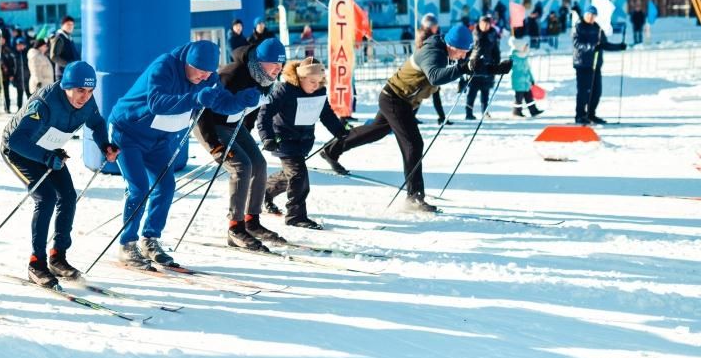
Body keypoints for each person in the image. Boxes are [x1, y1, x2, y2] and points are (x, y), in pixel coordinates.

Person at [321, 25, 510, 211]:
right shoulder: (433, 53)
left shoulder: (446, 50)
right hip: (395, 99)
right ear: (452, 45)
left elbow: (468, 65)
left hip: (400, 99)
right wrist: (463, 67)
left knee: (375, 132)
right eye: (461, 52)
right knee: (413, 144)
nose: (463, 55)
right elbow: (436, 76)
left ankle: (331, 150)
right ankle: (415, 196)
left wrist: (494, 69)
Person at [108, 40, 257, 267]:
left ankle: (150, 239)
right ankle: (127, 244)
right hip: (128, 132)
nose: (204, 77)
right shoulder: (164, 66)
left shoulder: (207, 77)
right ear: (188, 63)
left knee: (166, 186)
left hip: (159, 139)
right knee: (138, 188)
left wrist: (239, 102)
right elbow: (157, 103)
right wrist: (195, 98)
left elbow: (221, 102)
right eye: (200, 71)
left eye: (209, 73)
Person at [1, 61, 119, 286]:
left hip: (47, 151)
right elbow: (17, 140)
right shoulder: (44, 104)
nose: (85, 97)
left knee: (67, 196)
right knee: (46, 197)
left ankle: (58, 257)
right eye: (80, 90)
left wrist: (105, 145)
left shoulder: (86, 102)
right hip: (18, 150)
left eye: (90, 91)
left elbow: (97, 123)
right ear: (67, 86)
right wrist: (46, 158)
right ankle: (36, 263)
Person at [194, 38, 287, 250]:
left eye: (281, 65)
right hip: (210, 126)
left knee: (259, 164)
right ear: (260, 61)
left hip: (234, 125)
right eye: (274, 64)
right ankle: (235, 228)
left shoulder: (263, 78)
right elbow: (204, 111)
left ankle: (251, 221)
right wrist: (213, 143)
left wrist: (248, 131)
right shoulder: (232, 74)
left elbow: (251, 109)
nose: (277, 69)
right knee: (241, 166)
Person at [258, 57, 345, 229]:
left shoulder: (319, 91)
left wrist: (339, 130)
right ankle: (295, 216)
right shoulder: (284, 90)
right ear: (300, 78)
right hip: (282, 140)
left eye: (319, 81)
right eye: (312, 81)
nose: (315, 85)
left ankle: (263, 193)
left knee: (290, 174)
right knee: (299, 176)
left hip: (303, 141)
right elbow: (265, 114)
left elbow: (326, 113)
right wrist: (266, 137)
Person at [572, 5, 626, 125]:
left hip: (595, 64)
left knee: (596, 91)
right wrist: (591, 47)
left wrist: (618, 46)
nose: (591, 18)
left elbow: (603, 44)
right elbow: (577, 43)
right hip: (582, 64)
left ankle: (591, 114)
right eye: (589, 15)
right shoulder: (578, 26)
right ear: (585, 14)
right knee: (584, 91)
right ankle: (580, 115)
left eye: (593, 15)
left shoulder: (597, 28)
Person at [417, 14, 451, 125]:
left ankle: (442, 117)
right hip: (426, 69)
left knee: (434, 93)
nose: (437, 27)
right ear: (429, 26)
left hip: (433, 68)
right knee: (420, 95)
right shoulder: (424, 36)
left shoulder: (434, 34)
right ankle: (411, 116)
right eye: (434, 25)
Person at [465, 14, 500, 120]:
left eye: (487, 24)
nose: (485, 26)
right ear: (479, 24)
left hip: (487, 65)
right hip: (475, 65)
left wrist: (497, 65)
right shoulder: (473, 34)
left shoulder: (493, 35)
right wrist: (465, 64)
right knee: (472, 92)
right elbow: (467, 50)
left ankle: (485, 112)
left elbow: (496, 51)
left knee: (485, 92)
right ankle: (468, 112)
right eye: (483, 24)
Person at [509, 36, 542, 117]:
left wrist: (531, 79)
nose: (526, 48)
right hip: (518, 82)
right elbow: (512, 69)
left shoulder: (524, 56)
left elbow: (528, 70)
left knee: (529, 97)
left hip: (526, 81)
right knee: (519, 99)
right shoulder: (514, 57)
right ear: (520, 47)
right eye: (524, 47)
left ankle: (533, 110)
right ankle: (517, 111)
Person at [48, 15, 80, 81]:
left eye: (72, 24)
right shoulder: (60, 38)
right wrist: (69, 65)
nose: (70, 26)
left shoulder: (68, 37)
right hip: (63, 75)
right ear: (62, 25)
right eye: (68, 24)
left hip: (70, 74)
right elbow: (54, 56)